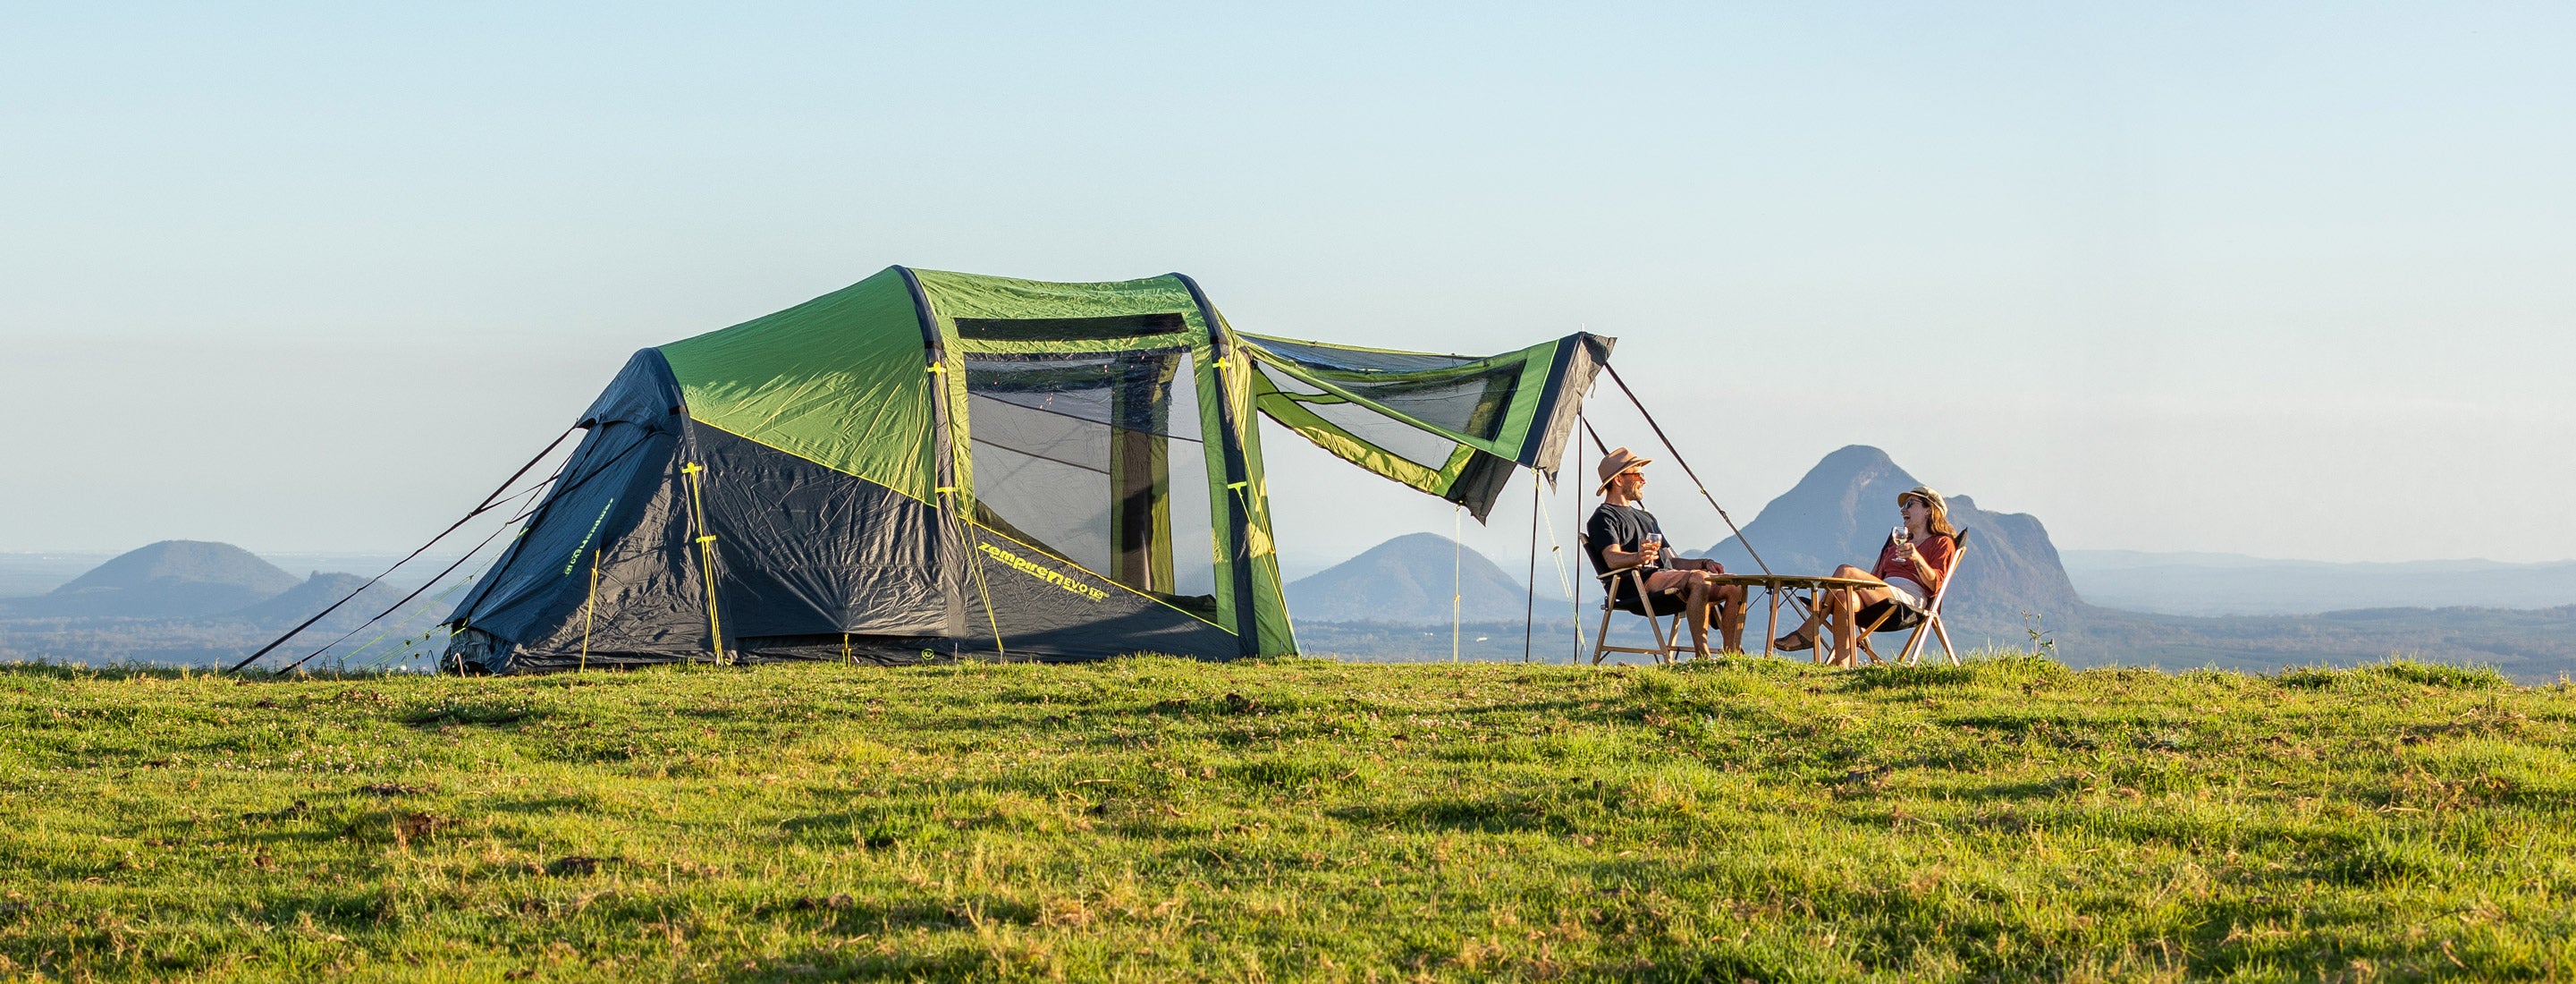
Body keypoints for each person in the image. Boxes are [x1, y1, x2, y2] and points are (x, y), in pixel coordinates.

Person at [1585, 447, 1748, 657]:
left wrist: (1704, 563)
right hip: (1640, 585)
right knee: (1699, 580)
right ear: (1618, 480)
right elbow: (1611, 559)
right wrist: (1638, 557)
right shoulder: (1603, 517)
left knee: (1735, 584)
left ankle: (1731, 655)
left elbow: (1670, 560)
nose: (1644, 480)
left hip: (1668, 577)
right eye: (1638, 474)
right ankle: (1703, 656)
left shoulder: (1647, 517)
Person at [1775, 485, 1960, 666]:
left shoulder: (1942, 542)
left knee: (1845, 571)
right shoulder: (1898, 542)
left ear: (1929, 510)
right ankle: (1842, 666)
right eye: (1903, 506)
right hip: (1882, 594)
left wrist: (1917, 558)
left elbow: (1936, 585)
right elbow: (1876, 578)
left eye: (1910, 504)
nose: (1903, 510)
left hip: (1907, 601)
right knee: (1842, 597)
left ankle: (1809, 631)